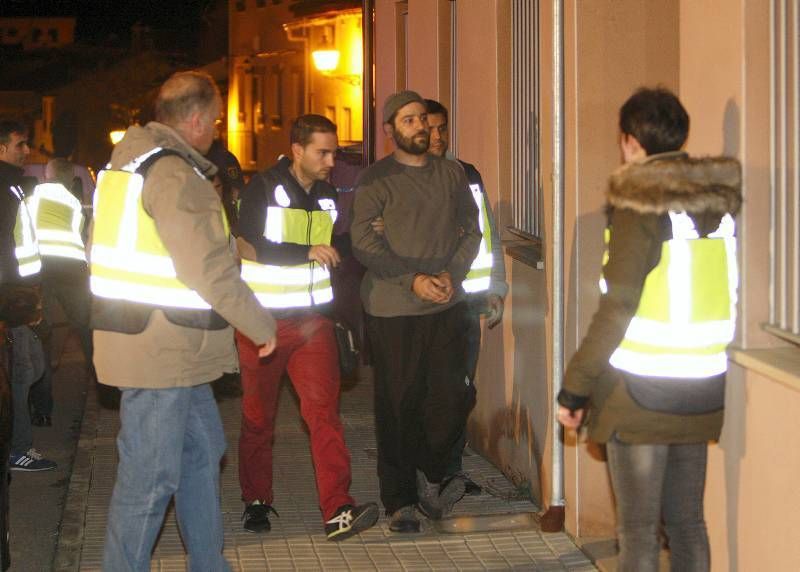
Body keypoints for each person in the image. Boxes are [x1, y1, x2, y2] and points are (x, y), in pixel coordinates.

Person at [91, 71, 277, 571]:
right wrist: (260, 324)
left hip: (161, 343)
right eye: (214, 120)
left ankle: (209, 565)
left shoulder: (127, 165)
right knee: (149, 480)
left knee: (201, 454)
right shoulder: (173, 174)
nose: (217, 130)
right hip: (161, 349)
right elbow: (206, 267)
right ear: (195, 121)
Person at [557, 87, 741, 571]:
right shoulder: (715, 207)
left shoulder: (641, 204)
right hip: (701, 389)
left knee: (637, 534)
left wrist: (575, 389)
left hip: (641, 395)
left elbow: (617, 309)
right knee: (687, 525)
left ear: (631, 142)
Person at [235, 114, 378, 541]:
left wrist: (362, 240)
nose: (332, 160)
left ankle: (338, 509)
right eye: (323, 152)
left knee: (324, 417)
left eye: (334, 151)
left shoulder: (329, 195)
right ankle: (256, 499)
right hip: (262, 325)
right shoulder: (262, 188)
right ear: (297, 150)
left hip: (313, 324)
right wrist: (305, 250)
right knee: (258, 419)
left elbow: (335, 249)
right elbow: (247, 245)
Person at [350, 91, 481, 533]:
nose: (420, 126)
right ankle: (401, 500)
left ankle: (432, 472)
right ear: (390, 130)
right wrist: (413, 280)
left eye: (423, 118)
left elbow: (472, 229)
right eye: (408, 120)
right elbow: (365, 243)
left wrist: (451, 274)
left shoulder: (451, 173)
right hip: (394, 309)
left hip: (447, 302)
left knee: (450, 396)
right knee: (398, 404)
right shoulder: (375, 180)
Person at [0, 118, 57, 473]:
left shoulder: (14, 185)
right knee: (22, 371)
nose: (27, 151)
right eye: (20, 144)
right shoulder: (5, 186)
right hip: (10, 298)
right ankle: (17, 449)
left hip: (20, 295)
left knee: (30, 367)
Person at [27, 158, 94, 426]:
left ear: (47, 175)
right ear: (70, 180)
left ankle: (43, 411)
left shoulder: (31, 199)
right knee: (86, 329)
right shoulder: (75, 205)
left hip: (42, 270)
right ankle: (104, 389)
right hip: (73, 272)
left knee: (42, 335)